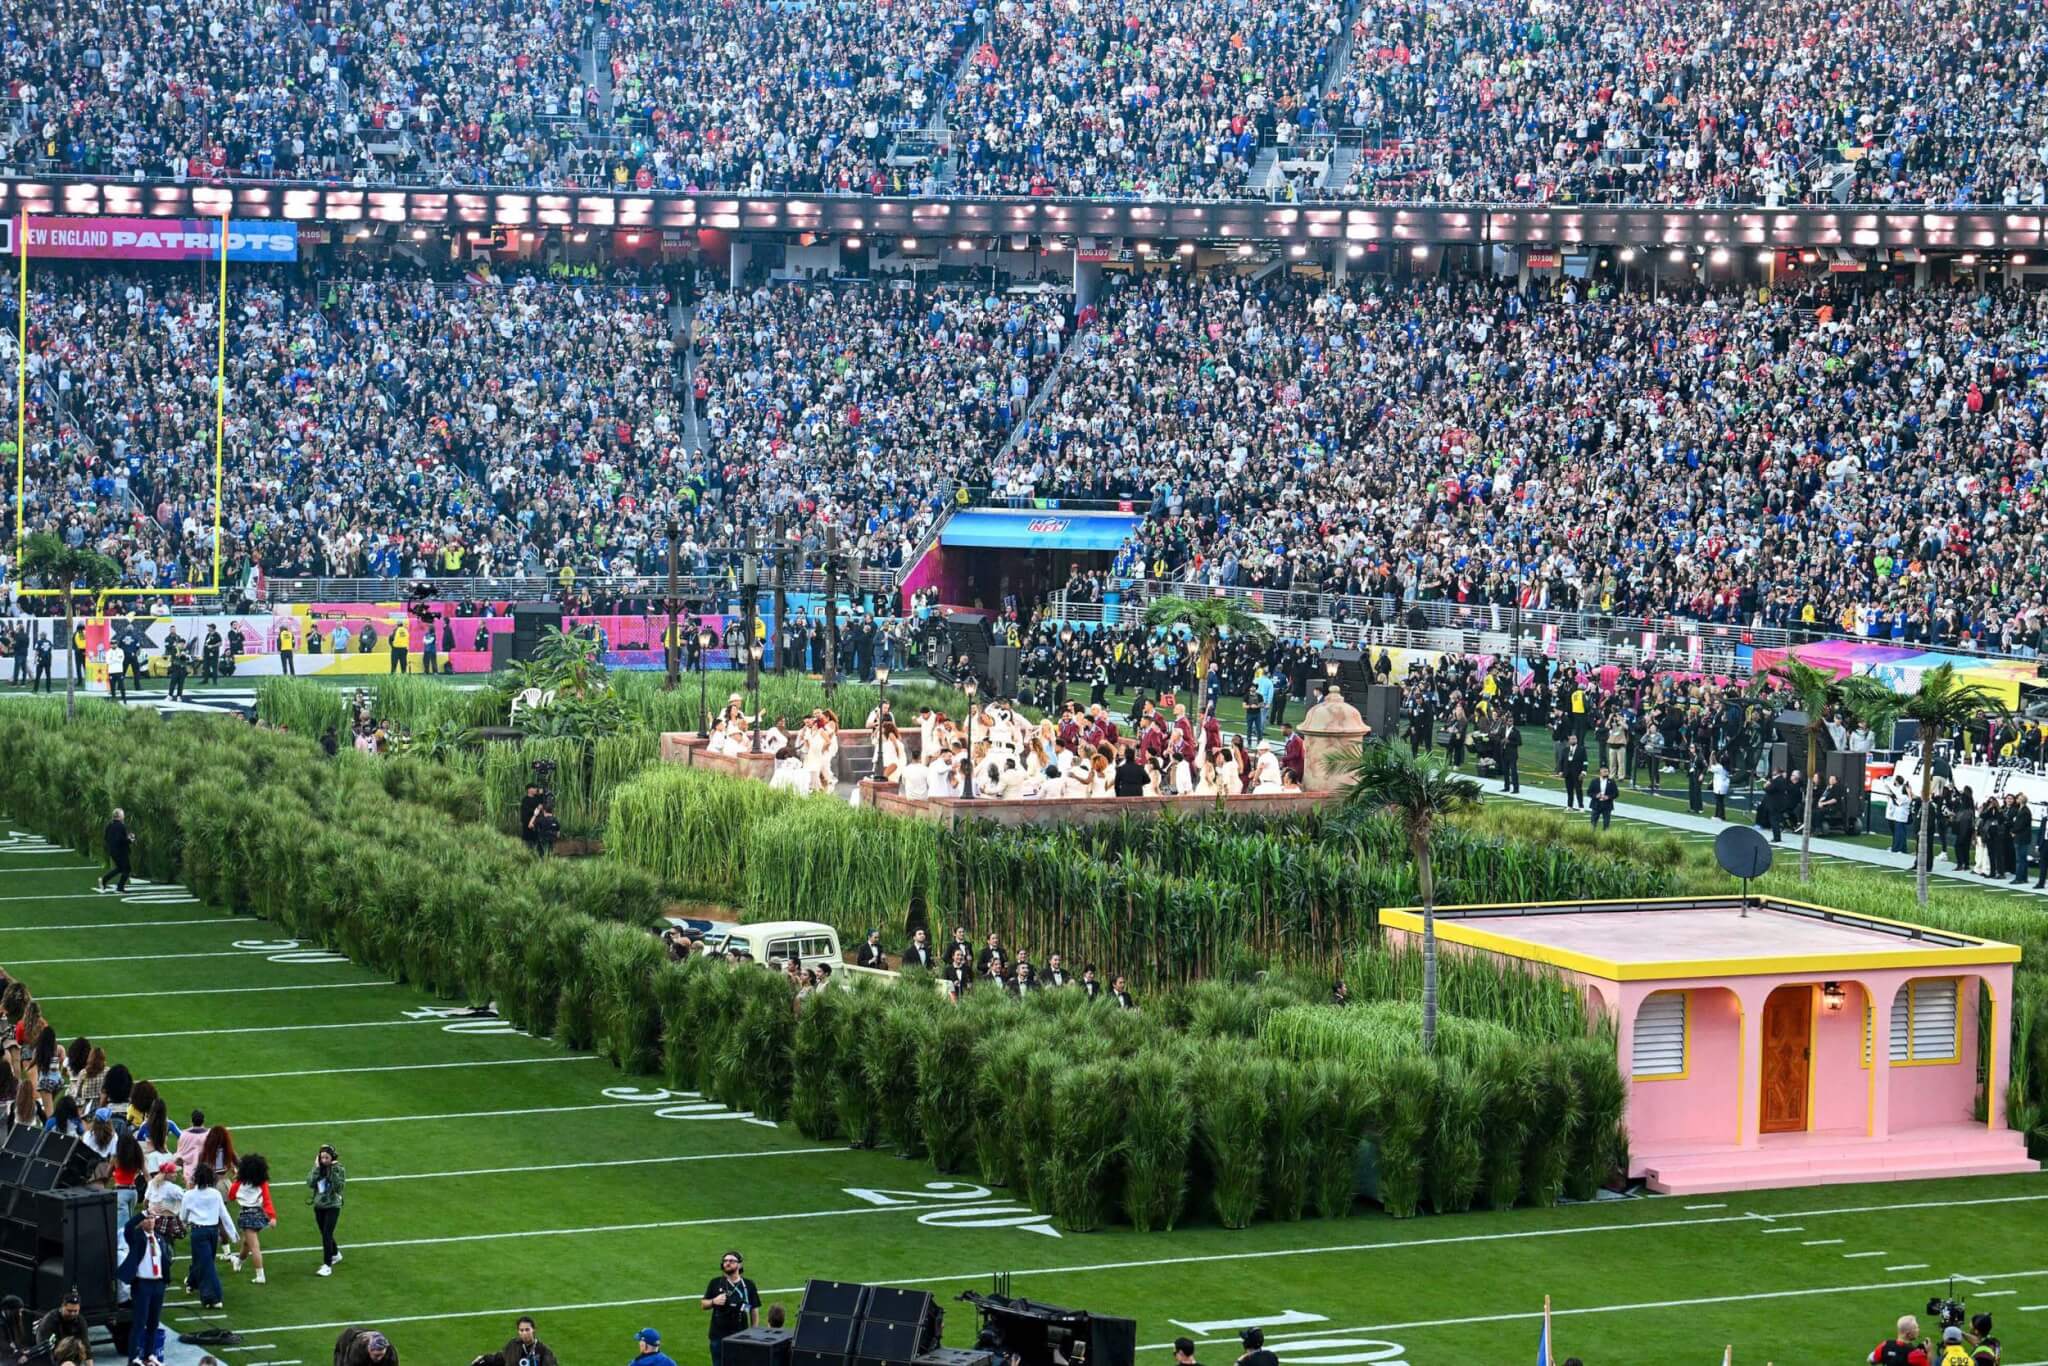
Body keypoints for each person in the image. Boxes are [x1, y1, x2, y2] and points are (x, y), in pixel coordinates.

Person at [118, 1209, 174, 1366]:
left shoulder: (159, 1238)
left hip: (158, 1283)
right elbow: (129, 1226)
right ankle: (133, 1357)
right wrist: (143, 1213)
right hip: (143, 1284)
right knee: (139, 1322)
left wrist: (165, 1281)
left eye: (152, 1219)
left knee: (153, 1322)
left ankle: (149, 1355)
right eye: (147, 1219)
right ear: (142, 1221)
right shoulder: (136, 1238)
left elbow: (163, 1260)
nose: (150, 1221)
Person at [179, 1163, 235, 1309]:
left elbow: (183, 1216)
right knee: (207, 1263)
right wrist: (232, 1232)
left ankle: (197, 1286)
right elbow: (224, 1214)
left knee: (204, 1263)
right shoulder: (215, 1194)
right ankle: (211, 1296)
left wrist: (185, 1223)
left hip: (198, 1232)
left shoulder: (189, 1195)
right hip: (212, 1232)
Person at [700, 1251, 758, 1366]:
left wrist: (754, 1331)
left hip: (741, 1334)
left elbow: (754, 1309)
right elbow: (703, 1304)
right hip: (718, 1335)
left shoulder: (748, 1285)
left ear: (739, 1265)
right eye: (725, 1261)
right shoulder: (715, 1283)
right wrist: (713, 1301)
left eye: (731, 1261)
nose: (727, 1263)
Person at [227, 1153, 275, 1284]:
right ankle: (239, 1261)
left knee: (254, 1246)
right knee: (247, 1243)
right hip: (259, 1216)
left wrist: (235, 1180)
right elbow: (267, 1200)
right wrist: (272, 1217)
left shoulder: (239, 1183)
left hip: (247, 1216)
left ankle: (260, 1275)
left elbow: (230, 1196)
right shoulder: (262, 1183)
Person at [99, 808, 133, 894]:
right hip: (121, 851)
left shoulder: (109, 825)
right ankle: (120, 888)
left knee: (120, 868)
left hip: (112, 851)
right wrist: (129, 840)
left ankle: (104, 880)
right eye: (123, 814)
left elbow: (106, 838)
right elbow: (120, 839)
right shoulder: (121, 826)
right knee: (127, 869)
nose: (124, 816)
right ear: (120, 816)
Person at [1558, 734, 1586, 809]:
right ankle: (1569, 806)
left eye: (1575, 739)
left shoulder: (1581, 749)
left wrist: (1583, 772)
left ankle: (1581, 806)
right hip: (1568, 773)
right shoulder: (1565, 750)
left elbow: (1585, 761)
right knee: (1569, 790)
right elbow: (1561, 761)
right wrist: (1560, 771)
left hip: (1577, 773)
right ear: (1569, 740)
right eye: (1572, 739)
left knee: (1578, 790)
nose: (1573, 740)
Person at [1498, 720, 1521, 793]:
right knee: (1505, 771)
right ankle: (1506, 787)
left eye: (1511, 721)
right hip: (1504, 752)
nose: (1509, 722)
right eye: (1508, 721)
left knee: (1513, 771)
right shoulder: (1503, 729)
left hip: (1512, 754)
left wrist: (1509, 742)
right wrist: (1501, 741)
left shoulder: (1516, 731)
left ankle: (1516, 788)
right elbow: (1498, 738)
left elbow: (1519, 742)